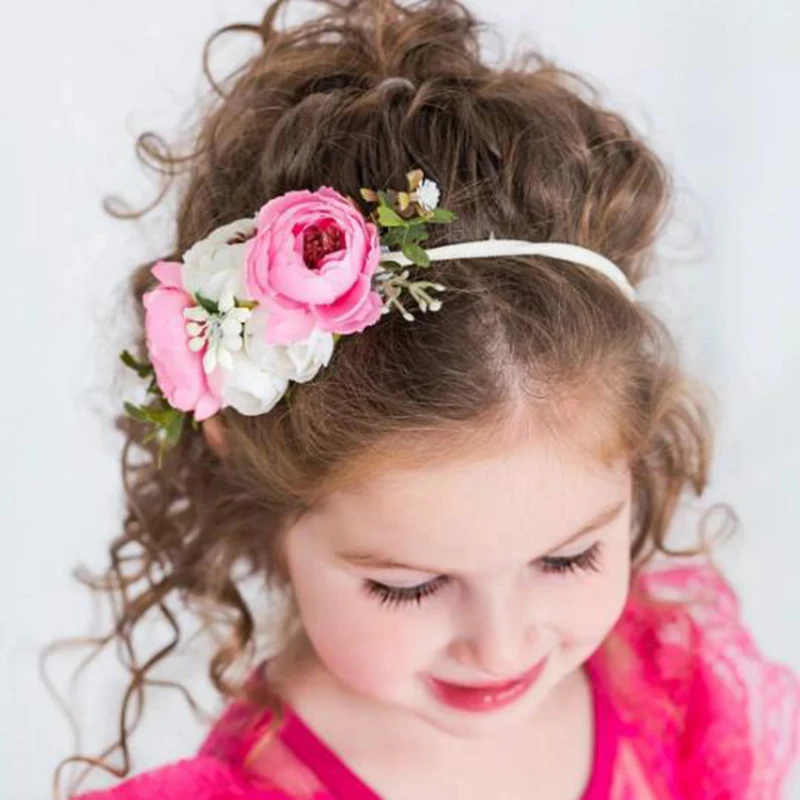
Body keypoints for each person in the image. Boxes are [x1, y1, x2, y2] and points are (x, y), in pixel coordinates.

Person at [56, 0, 798, 797]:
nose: (501, 647)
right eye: (407, 587)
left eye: (568, 557)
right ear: (253, 479)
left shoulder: (662, 685)